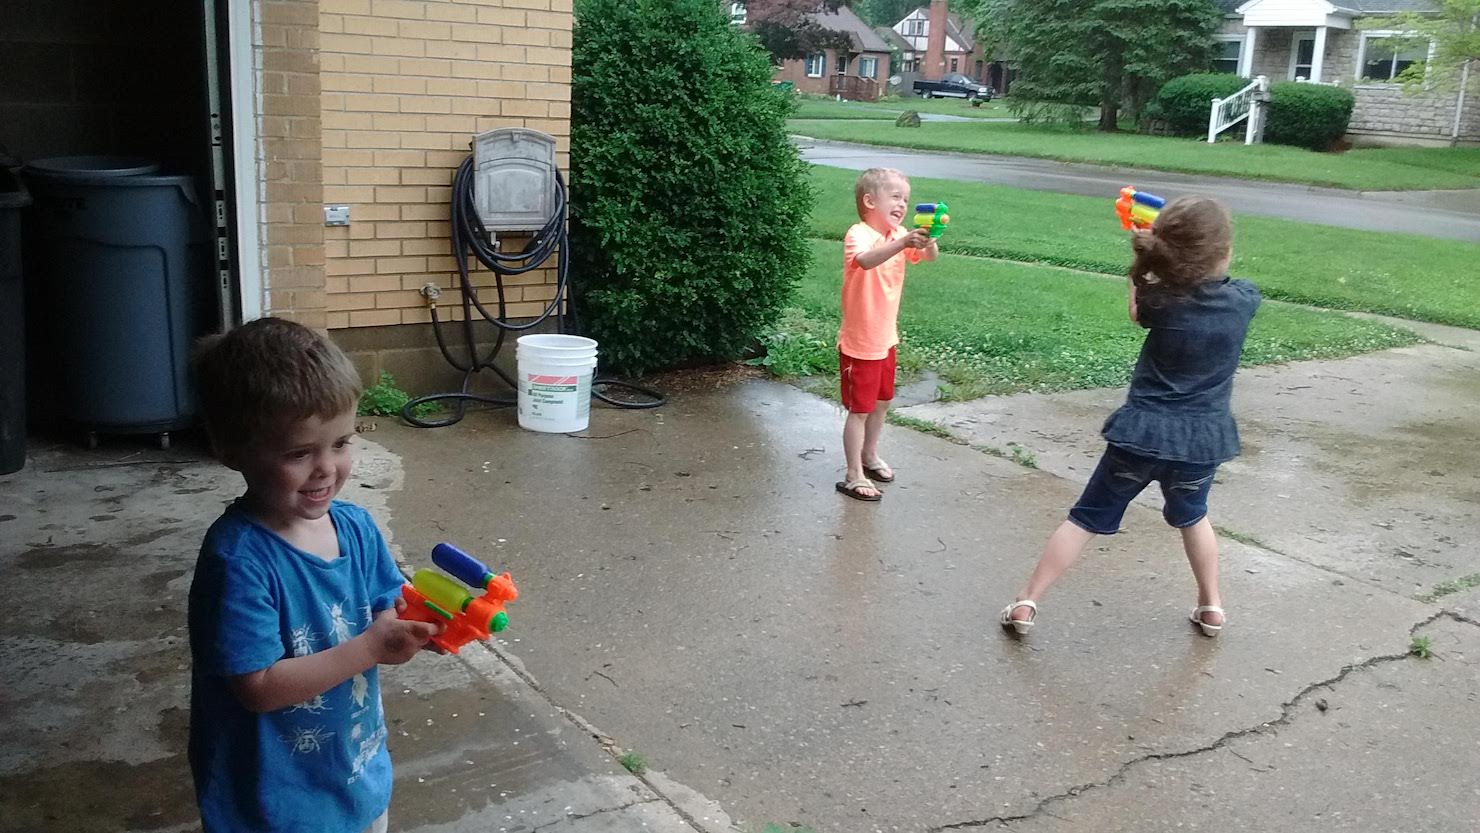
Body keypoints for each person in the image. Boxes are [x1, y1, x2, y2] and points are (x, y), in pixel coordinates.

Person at [187, 317, 439, 832]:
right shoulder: (238, 561)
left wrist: (425, 624)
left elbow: (387, 605)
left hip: (356, 774)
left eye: (342, 443)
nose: (327, 468)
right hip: (275, 802)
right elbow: (256, 686)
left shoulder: (356, 527)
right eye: (300, 452)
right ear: (230, 450)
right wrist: (371, 647)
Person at [1000, 196, 1261, 638]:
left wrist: (1144, 255)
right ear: (1225, 251)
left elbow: (1138, 309)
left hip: (1141, 436)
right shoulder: (1243, 300)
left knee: (1085, 518)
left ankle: (1027, 602)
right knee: (1193, 517)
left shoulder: (1161, 302)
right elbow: (1219, 285)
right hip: (1201, 443)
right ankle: (1212, 606)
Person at [836, 167, 938, 502]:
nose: (902, 204)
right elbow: (864, 262)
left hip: (885, 337)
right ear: (869, 201)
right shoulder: (859, 234)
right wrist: (902, 241)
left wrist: (929, 236)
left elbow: (927, 257)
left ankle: (869, 454)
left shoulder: (901, 233)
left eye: (905, 199)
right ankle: (853, 474)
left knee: (882, 401)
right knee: (860, 409)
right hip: (861, 341)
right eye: (895, 197)